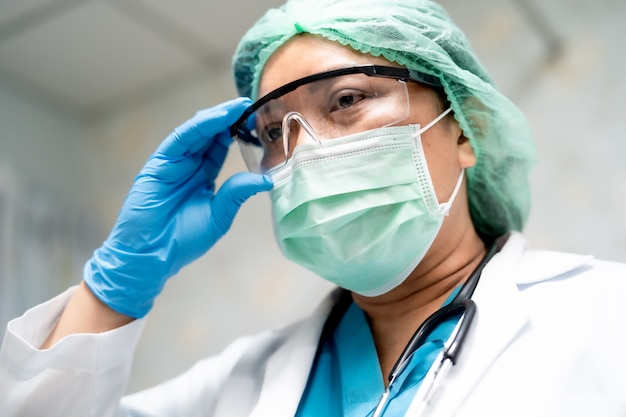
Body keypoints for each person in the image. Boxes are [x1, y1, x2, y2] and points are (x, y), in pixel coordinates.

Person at [1, 0, 625, 415]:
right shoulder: (235, 387)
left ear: (462, 130)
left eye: (348, 99)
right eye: (273, 133)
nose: (303, 152)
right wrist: (116, 285)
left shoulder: (604, 314)